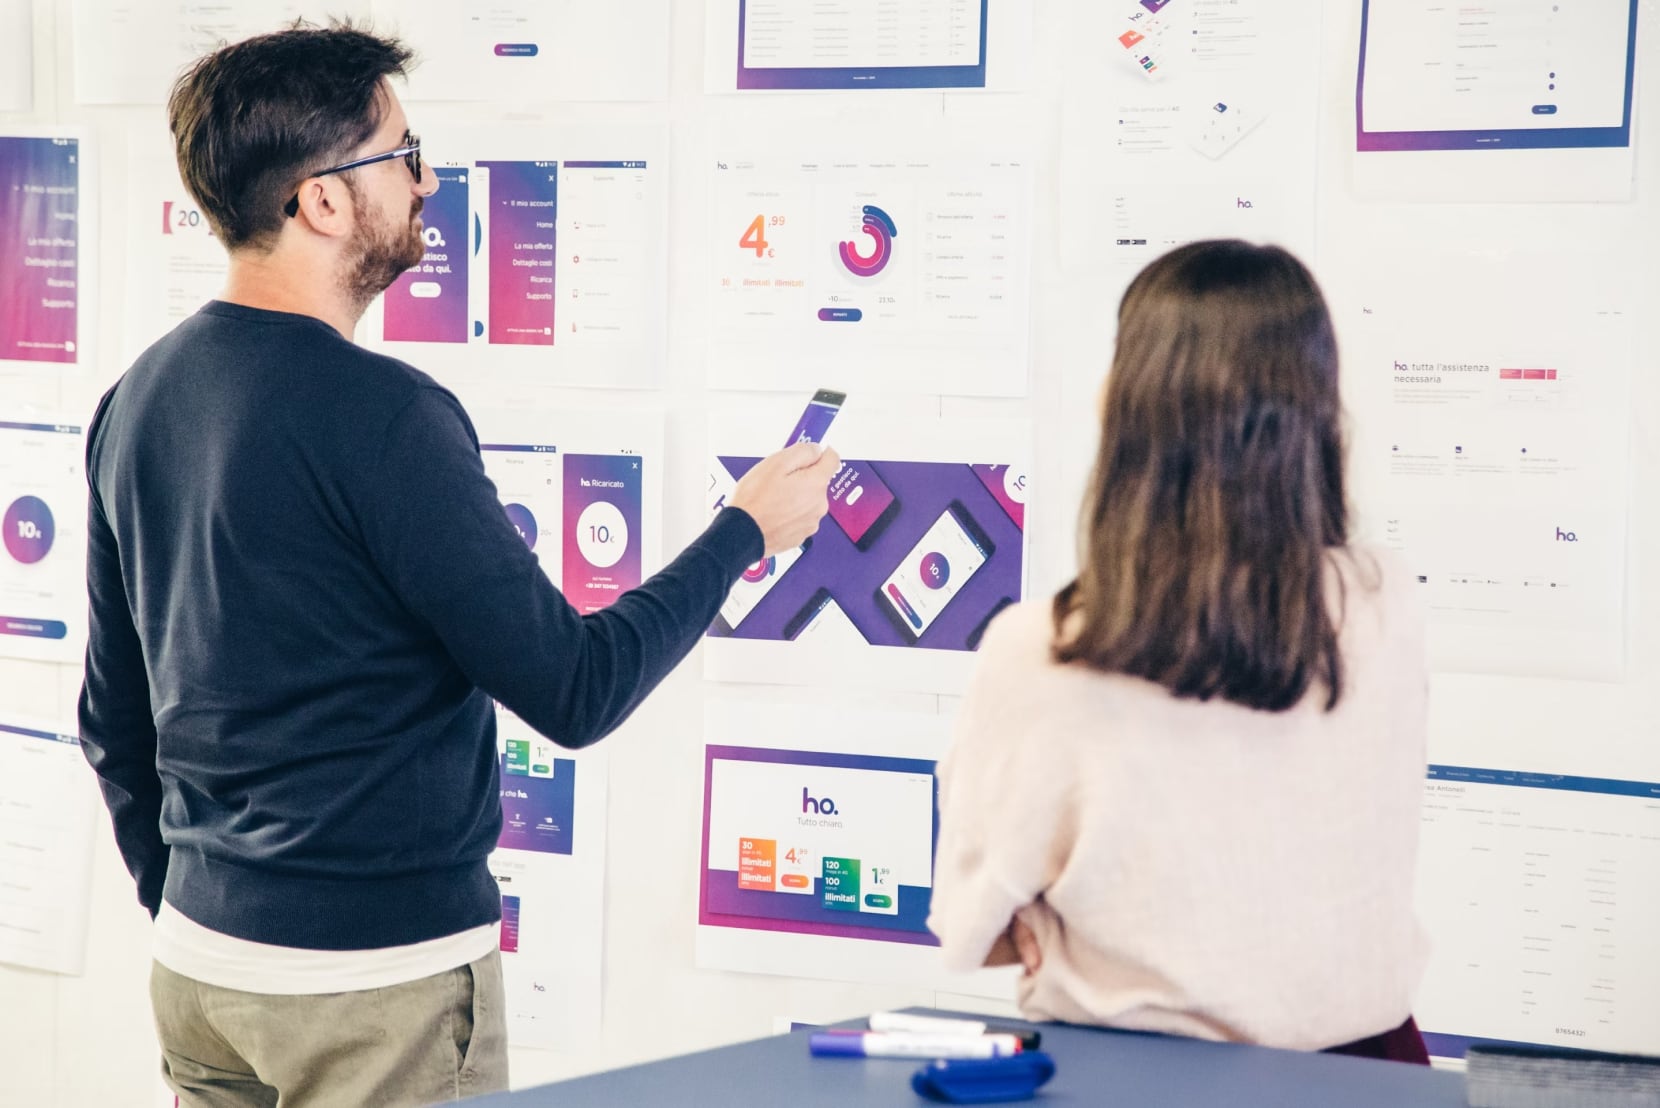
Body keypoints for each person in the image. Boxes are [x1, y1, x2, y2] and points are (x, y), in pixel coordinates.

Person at [77, 23, 838, 1107]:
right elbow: (576, 687)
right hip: (372, 992)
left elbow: (112, 719)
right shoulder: (385, 417)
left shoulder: (136, 399)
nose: (428, 181)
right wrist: (743, 534)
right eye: (404, 154)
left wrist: (196, 905)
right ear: (322, 201)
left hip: (201, 973)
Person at [927, 240, 1431, 1063]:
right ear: (1317, 412)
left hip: (1139, 1074)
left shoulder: (1051, 647)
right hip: (1373, 1072)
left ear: (1125, 407)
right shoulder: (1385, 602)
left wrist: (1061, 925)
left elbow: (968, 925)